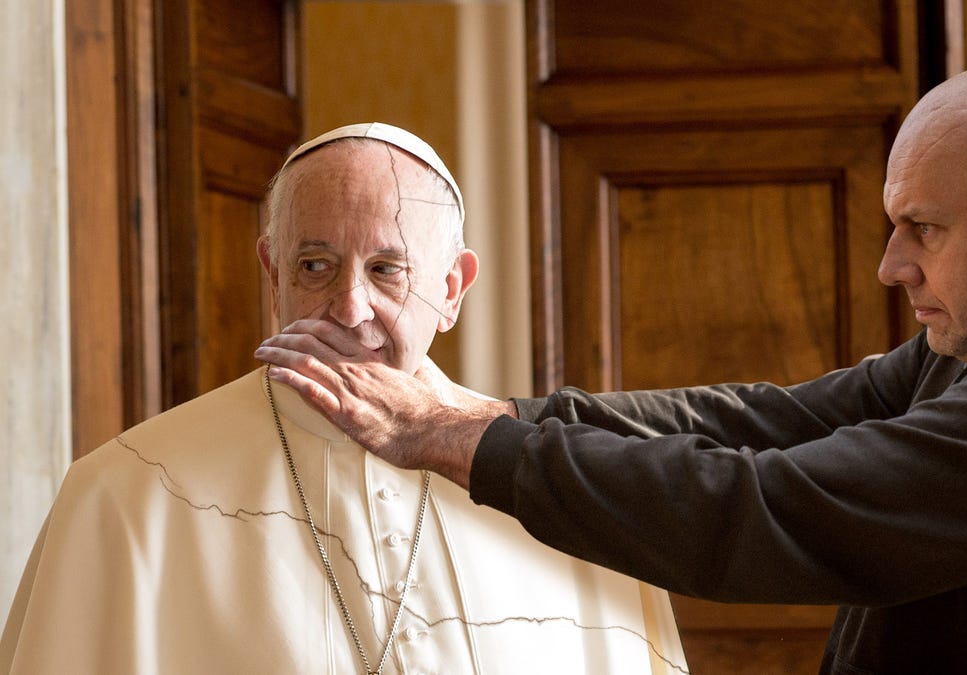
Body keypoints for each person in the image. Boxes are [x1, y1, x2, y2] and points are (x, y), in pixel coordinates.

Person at [256, 66, 967, 673]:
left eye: (926, 229)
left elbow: (770, 505)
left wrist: (455, 437)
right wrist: (495, 409)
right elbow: (764, 421)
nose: (891, 264)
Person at [0, 122, 688, 674]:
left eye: (387, 269)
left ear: (452, 288)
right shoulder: (126, 496)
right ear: (274, 275)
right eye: (315, 266)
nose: (350, 307)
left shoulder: (571, 487)